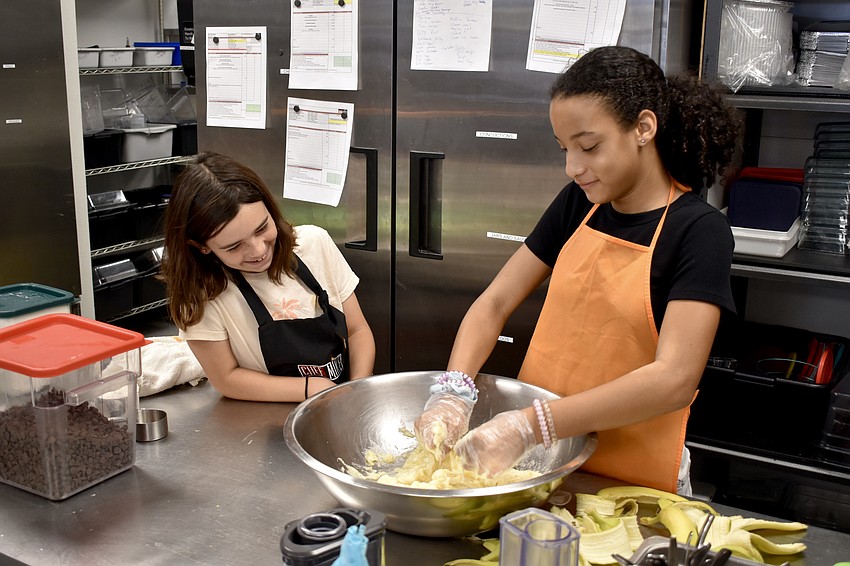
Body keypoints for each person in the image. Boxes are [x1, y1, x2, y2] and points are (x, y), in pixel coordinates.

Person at [414, 46, 741, 494]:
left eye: (588, 147)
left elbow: (674, 380)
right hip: (542, 466)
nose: (572, 168)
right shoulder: (579, 204)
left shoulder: (700, 232)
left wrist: (532, 424)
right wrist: (454, 390)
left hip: (631, 479)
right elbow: (494, 303)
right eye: (565, 148)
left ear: (644, 128)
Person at [162, 152, 375, 402]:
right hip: (265, 421)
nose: (259, 251)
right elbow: (226, 378)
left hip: (342, 401)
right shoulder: (200, 294)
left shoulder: (314, 245)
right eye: (234, 246)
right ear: (202, 246)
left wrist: (356, 393)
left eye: (262, 228)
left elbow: (357, 331)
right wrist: (313, 390)